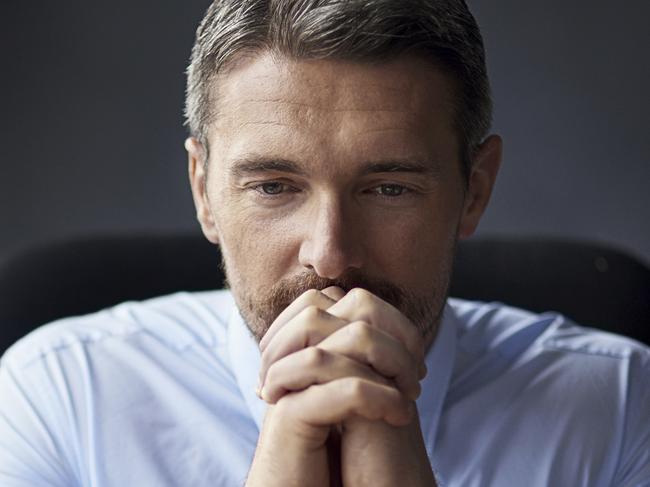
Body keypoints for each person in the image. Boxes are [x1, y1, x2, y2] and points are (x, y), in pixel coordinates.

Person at [1, 0, 648, 485]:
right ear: (204, 191)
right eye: (275, 187)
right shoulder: (59, 399)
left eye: (389, 188)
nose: (331, 255)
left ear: (473, 190)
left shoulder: (622, 411)